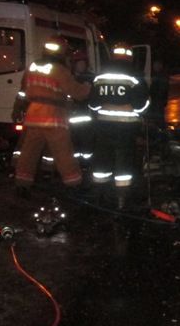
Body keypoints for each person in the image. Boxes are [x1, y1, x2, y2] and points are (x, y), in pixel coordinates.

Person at [13, 36, 91, 197]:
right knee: (64, 153)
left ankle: (22, 184)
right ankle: (74, 185)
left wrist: (17, 108)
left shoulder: (33, 67)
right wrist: (88, 87)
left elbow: (23, 91)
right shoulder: (60, 70)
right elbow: (77, 93)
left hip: (33, 116)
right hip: (54, 117)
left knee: (29, 152)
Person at [88, 42, 150, 209]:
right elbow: (141, 106)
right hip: (126, 128)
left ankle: (99, 196)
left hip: (103, 127)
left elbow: (93, 104)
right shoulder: (134, 77)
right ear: (130, 57)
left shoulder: (100, 77)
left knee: (102, 159)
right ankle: (121, 200)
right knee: (124, 161)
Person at [148, 59, 169, 127]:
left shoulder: (161, 75)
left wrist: (156, 96)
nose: (154, 67)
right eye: (154, 65)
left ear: (160, 66)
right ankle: (159, 128)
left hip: (158, 100)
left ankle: (161, 129)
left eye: (156, 65)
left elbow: (162, 89)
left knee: (159, 117)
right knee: (157, 116)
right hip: (157, 99)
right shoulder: (157, 74)